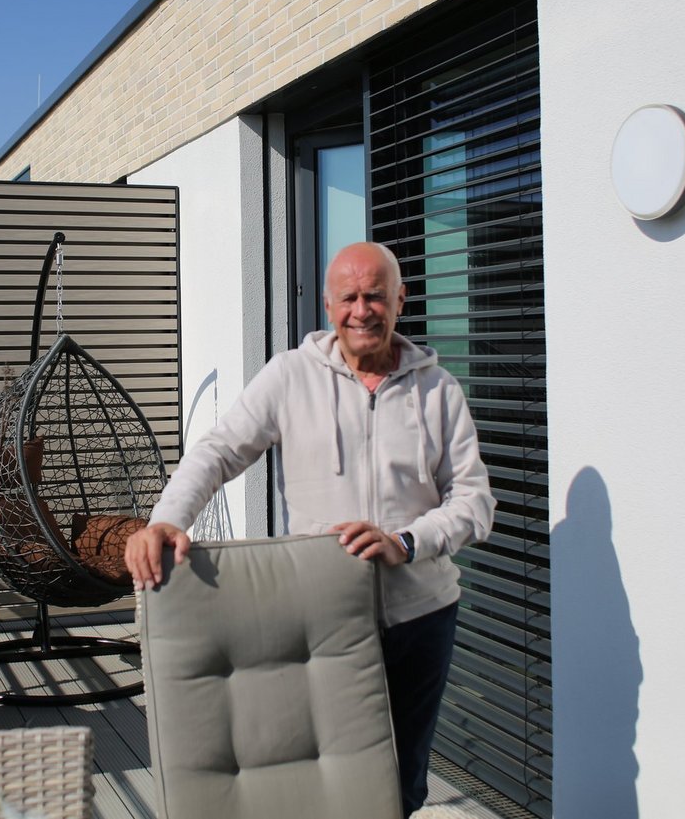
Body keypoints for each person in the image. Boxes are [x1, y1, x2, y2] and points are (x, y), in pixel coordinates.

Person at [124, 240, 495, 818]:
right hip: (321, 621)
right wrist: (166, 520)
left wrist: (407, 542)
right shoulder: (290, 376)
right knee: (324, 785)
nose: (362, 310)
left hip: (421, 618)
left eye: (376, 295)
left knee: (402, 784)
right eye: (349, 297)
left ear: (401, 299)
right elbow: (218, 452)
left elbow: (474, 501)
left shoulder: (438, 389)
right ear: (328, 306)